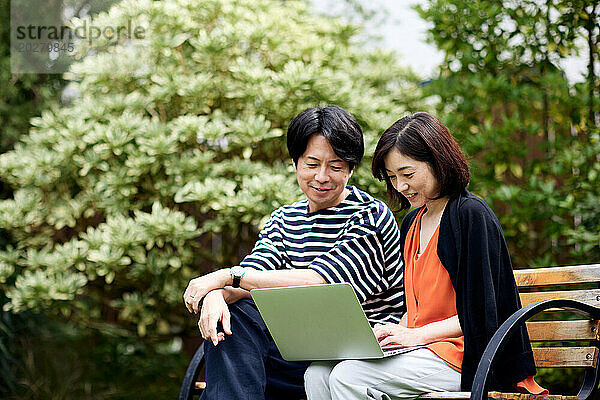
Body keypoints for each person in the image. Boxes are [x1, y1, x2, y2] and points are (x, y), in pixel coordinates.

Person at [304, 112, 546, 399]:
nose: (400, 186)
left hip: (464, 356)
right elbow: (416, 310)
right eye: (392, 177)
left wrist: (417, 335)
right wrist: (389, 333)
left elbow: (481, 313)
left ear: (437, 161)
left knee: (349, 376)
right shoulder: (412, 223)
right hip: (422, 351)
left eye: (408, 174)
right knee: (317, 373)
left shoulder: (470, 215)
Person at [183, 105, 405, 400]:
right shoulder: (283, 220)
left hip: (357, 359)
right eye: (312, 164)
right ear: (295, 163)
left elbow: (321, 283)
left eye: (336, 166)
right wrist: (216, 295)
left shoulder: (369, 217)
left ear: (351, 168)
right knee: (233, 315)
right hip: (294, 354)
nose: (322, 177)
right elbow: (252, 276)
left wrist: (226, 278)